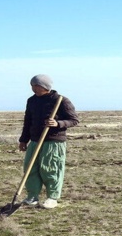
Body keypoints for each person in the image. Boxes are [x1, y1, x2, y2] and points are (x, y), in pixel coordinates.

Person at [18, 74, 79, 209]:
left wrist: (57, 123)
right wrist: (23, 140)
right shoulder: (32, 101)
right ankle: (32, 197)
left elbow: (74, 120)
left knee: (51, 169)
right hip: (35, 140)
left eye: (35, 86)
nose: (33, 89)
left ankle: (52, 197)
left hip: (53, 141)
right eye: (32, 86)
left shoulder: (61, 100)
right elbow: (28, 122)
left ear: (44, 86)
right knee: (30, 168)